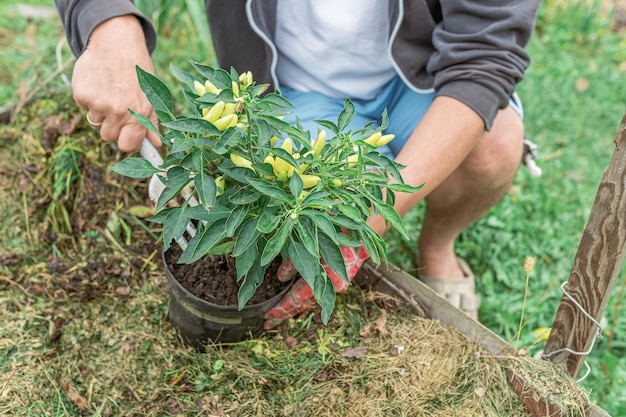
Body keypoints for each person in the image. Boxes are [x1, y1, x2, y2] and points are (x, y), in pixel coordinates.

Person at [55, 0, 541, 325]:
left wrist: (370, 218)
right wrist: (107, 24)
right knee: (285, 210)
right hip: (291, 92)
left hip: (422, 75)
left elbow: (485, 56)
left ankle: (437, 246)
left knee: (493, 146)